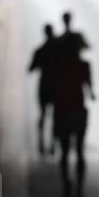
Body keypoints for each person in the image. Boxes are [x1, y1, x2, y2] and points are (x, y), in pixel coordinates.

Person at [53, 42, 95, 197]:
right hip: (78, 112)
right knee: (79, 151)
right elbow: (90, 91)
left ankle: (66, 187)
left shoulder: (59, 67)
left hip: (62, 112)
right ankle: (79, 192)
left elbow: (53, 89)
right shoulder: (84, 66)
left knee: (63, 152)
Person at [28, 24, 58, 155]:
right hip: (56, 86)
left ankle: (41, 143)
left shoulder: (40, 51)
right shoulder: (59, 50)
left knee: (43, 114)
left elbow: (30, 69)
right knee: (56, 116)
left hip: (44, 85)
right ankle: (53, 144)